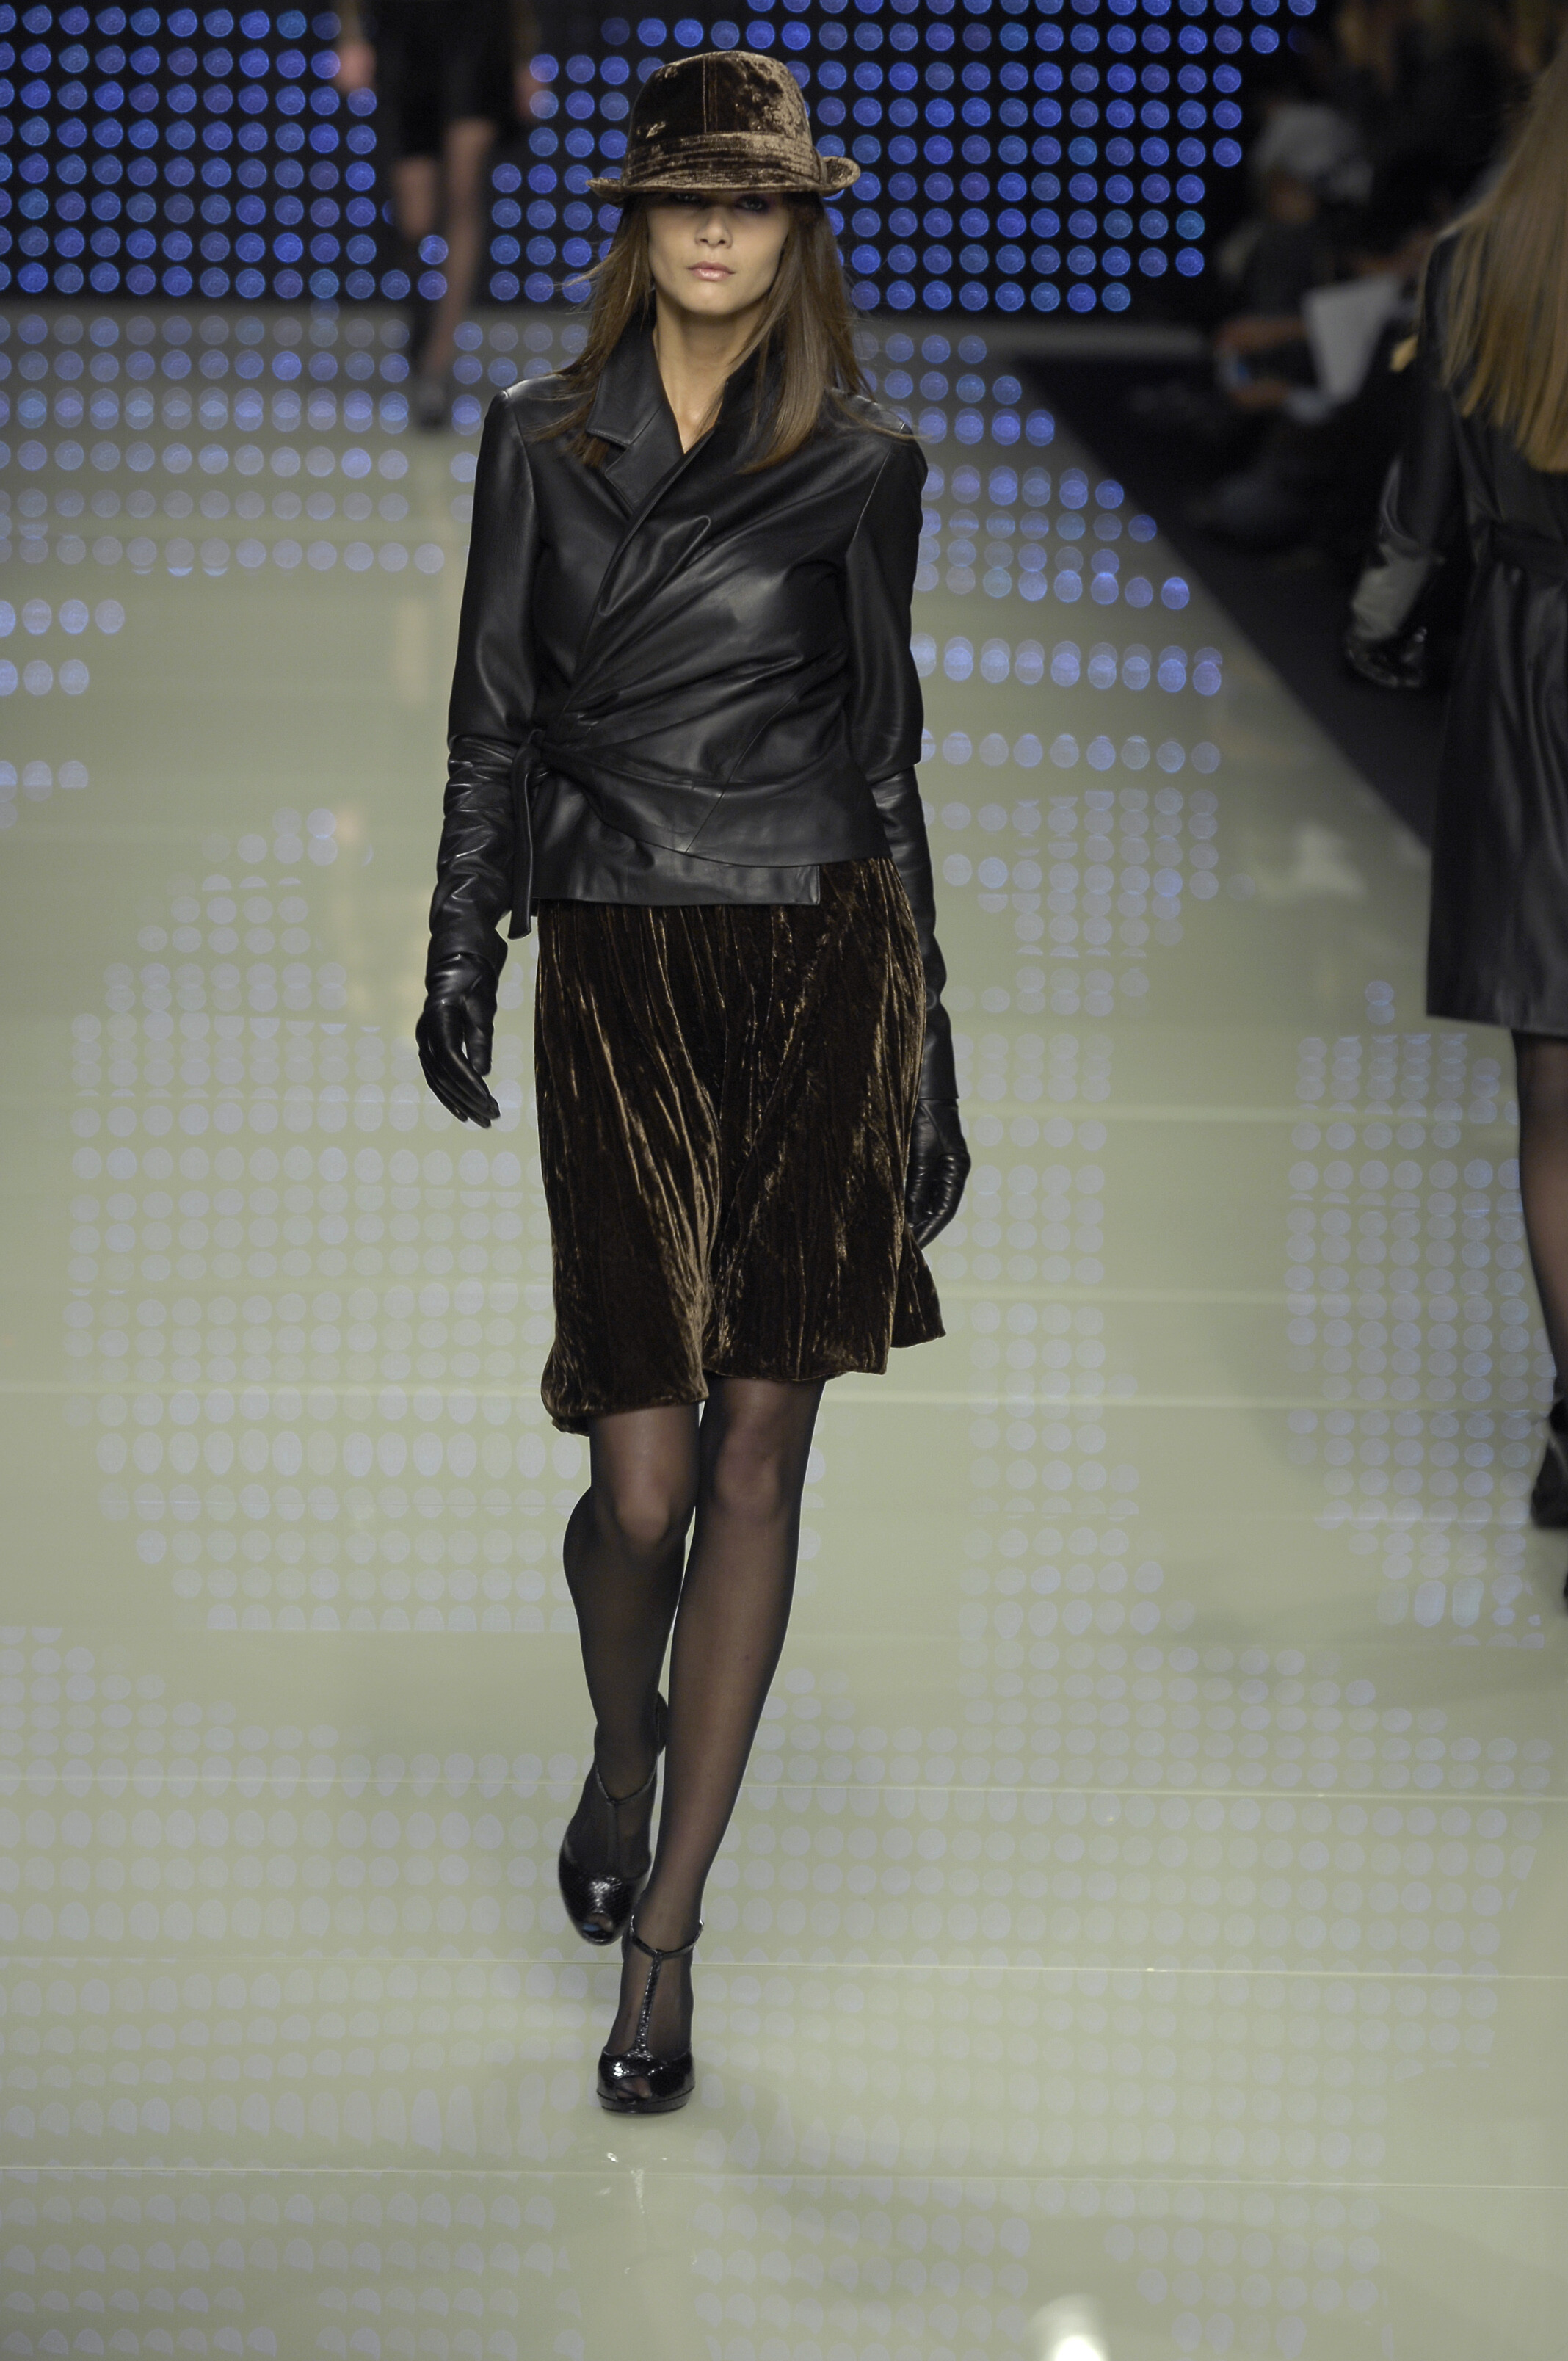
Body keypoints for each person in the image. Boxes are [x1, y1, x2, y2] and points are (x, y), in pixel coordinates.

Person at [413, 48, 970, 2114]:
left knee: (752, 1463)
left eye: (752, 200)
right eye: (684, 196)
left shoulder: (867, 462)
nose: (717, 230)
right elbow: (492, 716)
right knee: (635, 1487)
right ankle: (620, 1746)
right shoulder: (540, 442)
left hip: (821, 963)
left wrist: (932, 1044)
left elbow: (887, 760)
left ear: (797, 227)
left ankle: (666, 1938)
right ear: (639, 219)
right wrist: (465, 944)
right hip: (623, 969)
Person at [1345, 32, 1568, 1579]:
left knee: (1555, 1080)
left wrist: (1378, 627)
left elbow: (1420, 507)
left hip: (1531, 667)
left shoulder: (1481, 260)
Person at [334, 0, 535, 425]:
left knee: (464, 195)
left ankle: (437, 366)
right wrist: (350, 35)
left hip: (480, 35)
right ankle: (423, 322)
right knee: (415, 220)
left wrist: (525, 59)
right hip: (408, 33)